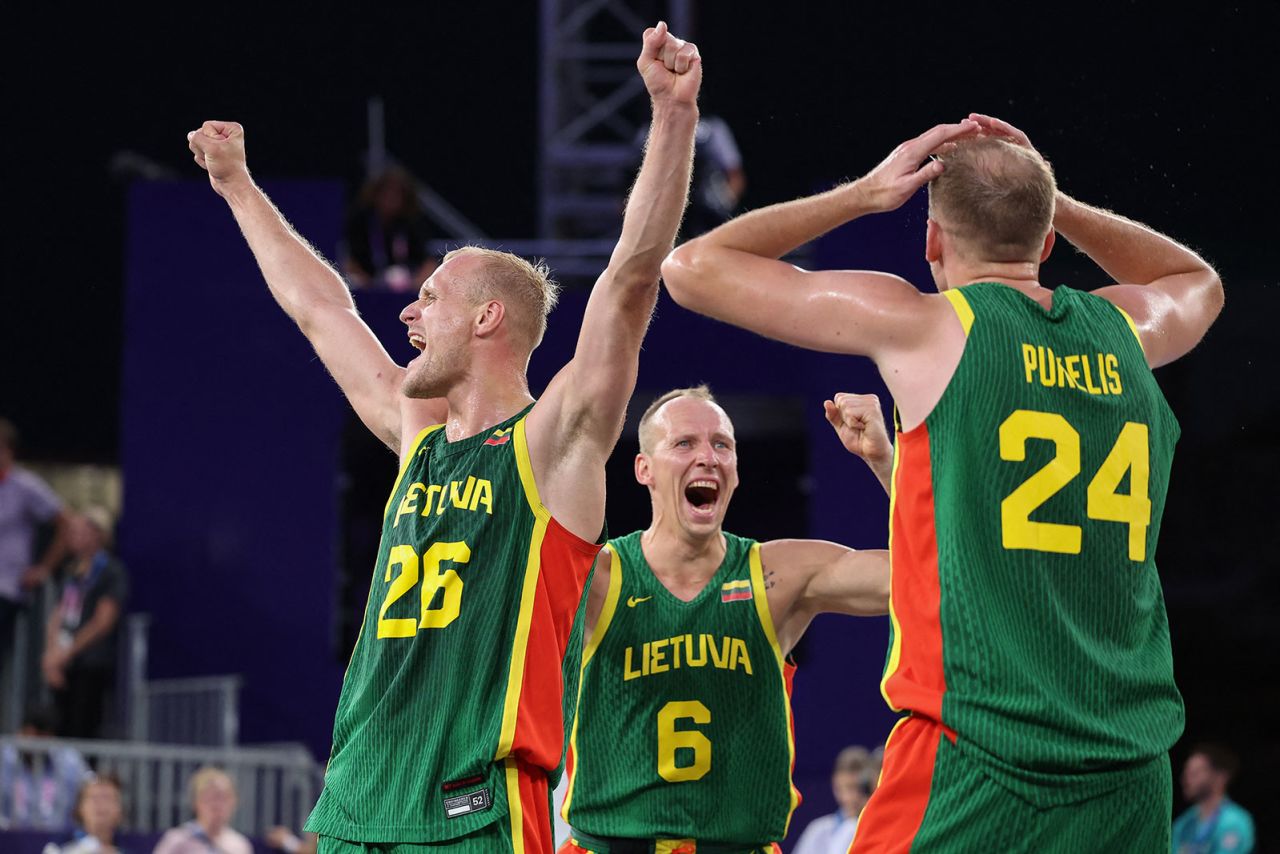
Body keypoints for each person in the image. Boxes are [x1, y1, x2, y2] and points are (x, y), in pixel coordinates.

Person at [186, 20, 702, 853]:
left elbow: (631, 279)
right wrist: (240, 185)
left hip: (476, 807)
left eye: (430, 297)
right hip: (357, 800)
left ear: (489, 318)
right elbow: (322, 309)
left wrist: (672, 116)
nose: (408, 311)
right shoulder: (416, 434)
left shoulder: (551, 443)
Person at [662, 113, 1223, 850]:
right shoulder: (1126, 329)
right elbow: (1198, 282)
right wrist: (1052, 198)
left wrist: (862, 194)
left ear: (932, 241)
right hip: (1127, 771)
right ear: (1048, 240)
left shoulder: (926, 325)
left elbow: (691, 269)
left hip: (977, 758)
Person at [559, 387, 892, 852]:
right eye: (684, 443)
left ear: (735, 472)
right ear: (644, 470)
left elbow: (941, 577)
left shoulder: (779, 576)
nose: (707, 457)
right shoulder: (597, 578)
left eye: (721, 444)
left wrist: (885, 462)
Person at [43, 507, 128, 738]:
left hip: (91, 665)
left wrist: (66, 654)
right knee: (58, 728)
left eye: (79, 531)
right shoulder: (72, 570)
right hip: (64, 665)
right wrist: (52, 656)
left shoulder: (111, 572)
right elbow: (59, 613)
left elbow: (103, 622)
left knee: (83, 729)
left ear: (97, 534)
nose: (72, 536)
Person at [0, 418, 70, 660]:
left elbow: (65, 523)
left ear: (7, 450)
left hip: (7, 588)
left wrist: (44, 569)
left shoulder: (26, 486)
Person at [342, 164, 438, 292]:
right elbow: (349, 262)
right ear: (376, 194)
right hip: (368, 291)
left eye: (397, 194)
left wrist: (416, 286)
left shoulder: (413, 223)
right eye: (386, 193)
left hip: (407, 291)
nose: (391, 199)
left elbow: (428, 263)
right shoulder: (359, 222)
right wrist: (371, 288)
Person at [0, 704, 91, 830]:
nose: (34, 743)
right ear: (20, 732)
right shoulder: (4, 759)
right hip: (9, 840)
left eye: (41, 736)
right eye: (29, 734)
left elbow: (91, 789)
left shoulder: (69, 761)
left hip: (60, 841)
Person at [790, 746, 876, 854]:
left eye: (859, 788)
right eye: (848, 788)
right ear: (836, 786)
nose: (852, 797)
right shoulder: (818, 831)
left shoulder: (882, 830)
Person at [1172, 744, 1255, 854]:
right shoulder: (1182, 824)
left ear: (1221, 777)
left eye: (1195, 773)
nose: (1185, 779)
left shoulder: (1234, 821)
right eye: (1186, 773)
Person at [153, 766, 251, 854]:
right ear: (196, 802)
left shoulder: (240, 844)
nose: (217, 805)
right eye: (210, 798)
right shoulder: (176, 840)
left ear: (234, 801)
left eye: (223, 798)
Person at [41, 774, 127, 854]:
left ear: (120, 810)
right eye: (94, 798)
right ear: (80, 808)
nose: (100, 805)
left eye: (107, 798)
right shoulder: (57, 849)